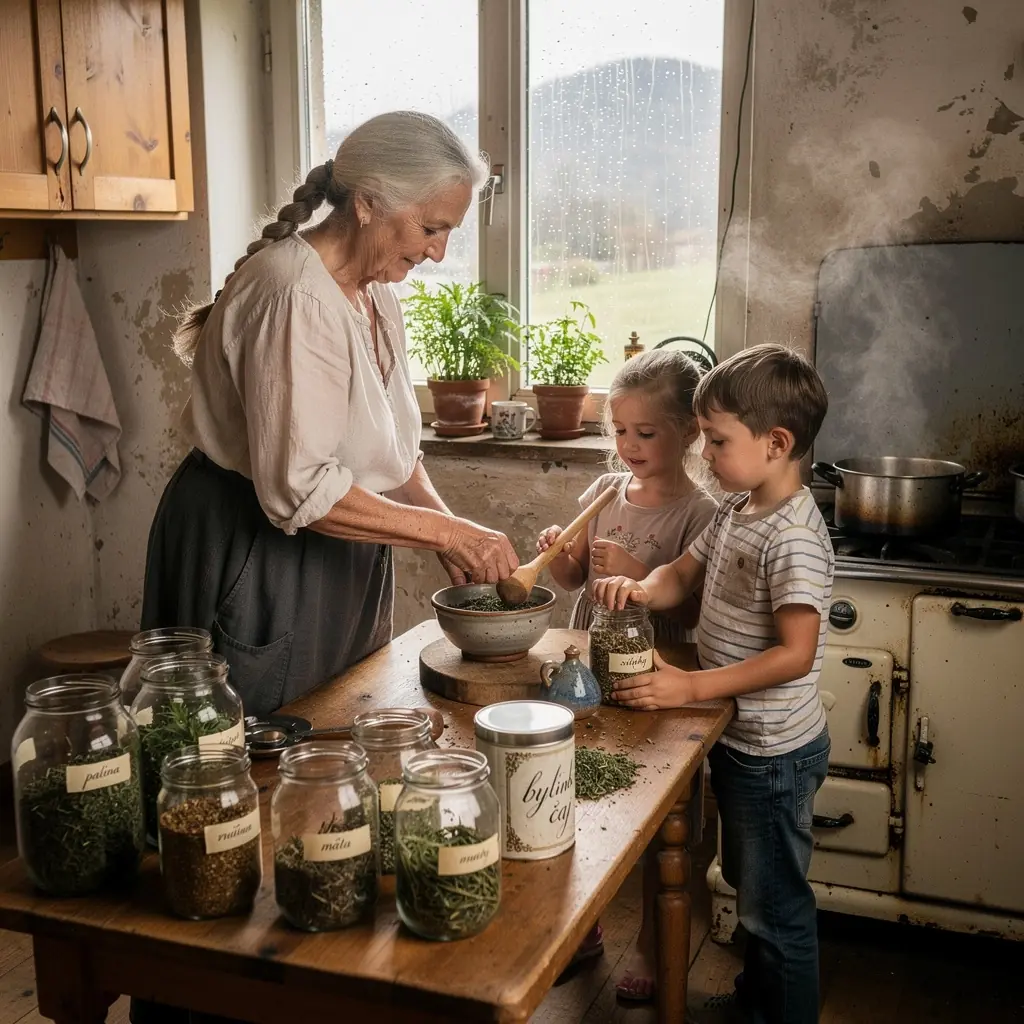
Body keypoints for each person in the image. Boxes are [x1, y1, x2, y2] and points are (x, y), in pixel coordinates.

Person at [134, 111, 518, 1024]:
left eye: (448, 234)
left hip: (338, 546)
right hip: (253, 550)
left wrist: (447, 519)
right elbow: (297, 491)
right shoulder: (291, 292)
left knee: (326, 756)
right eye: (432, 228)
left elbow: (388, 451)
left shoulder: (369, 290)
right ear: (369, 200)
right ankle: (198, 989)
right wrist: (441, 540)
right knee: (238, 764)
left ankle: (307, 974)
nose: (435, 252)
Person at [595, 343, 834, 1024]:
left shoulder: (792, 537)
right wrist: (638, 584)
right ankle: (759, 1002)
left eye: (716, 441)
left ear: (777, 442)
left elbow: (795, 654)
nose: (704, 456)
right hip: (740, 738)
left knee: (773, 907)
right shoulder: (740, 509)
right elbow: (679, 575)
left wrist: (695, 689)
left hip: (775, 754)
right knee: (749, 889)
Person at [536, 349, 717, 984]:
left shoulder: (701, 514)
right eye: (618, 431)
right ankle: (580, 934)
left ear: (689, 432)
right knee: (578, 790)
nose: (628, 445)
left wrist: (640, 576)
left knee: (653, 811)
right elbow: (569, 578)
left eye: (645, 432)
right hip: (587, 665)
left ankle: (647, 941)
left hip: (656, 671)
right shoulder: (604, 492)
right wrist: (557, 550)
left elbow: (695, 608)